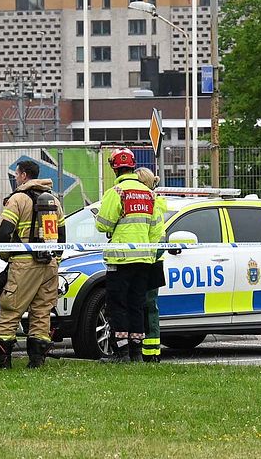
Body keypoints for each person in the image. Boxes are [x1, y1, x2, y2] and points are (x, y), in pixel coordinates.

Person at [0, 160, 66, 369]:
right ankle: (37, 361)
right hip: (49, 265)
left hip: (23, 264)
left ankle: (0, 361)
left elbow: (4, 232)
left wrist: (7, 257)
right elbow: (63, 237)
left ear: (22, 176)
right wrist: (54, 258)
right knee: (41, 313)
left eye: (17, 174)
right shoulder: (54, 201)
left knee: (10, 311)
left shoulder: (18, 199)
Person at [96, 148, 156, 363]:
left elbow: (103, 224)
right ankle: (136, 353)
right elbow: (157, 229)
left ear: (114, 167)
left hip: (120, 259)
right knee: (137, 305)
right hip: (144, 259)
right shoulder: (149, 193)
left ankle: (121, 353)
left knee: (117, 305)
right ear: (132, 166)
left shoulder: (117, 192)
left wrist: (102, 217)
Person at [135, 167, 167, 363]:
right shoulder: (152, 202)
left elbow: (156, 237)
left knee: (147, 307)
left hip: (150, 259)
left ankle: (151, 352)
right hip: (151, 259)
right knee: (148, 307)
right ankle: (150, 351)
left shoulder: (150, 203)